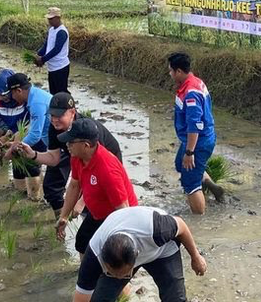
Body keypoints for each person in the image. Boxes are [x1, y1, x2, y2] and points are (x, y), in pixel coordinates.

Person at [19, 92, 122, 218]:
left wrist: (81, 202)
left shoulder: (87, 130)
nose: (54, 119)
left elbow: (98, 173)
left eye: (59, 115)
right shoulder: (55, 127)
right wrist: (33, 154)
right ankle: (64, 219)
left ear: (72, 112)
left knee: (95, 201)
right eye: (52, 115)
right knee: (52, 187)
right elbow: (54, 158)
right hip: (76, 155)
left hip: (106, 163)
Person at [73, 206, 207, 302]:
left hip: (162, 250)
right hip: (124, 249)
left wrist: (195, 257)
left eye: (125, 274)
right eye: (112, 273)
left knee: (175, 297)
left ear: (137, 256)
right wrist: (116, 275)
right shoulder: (94, 255)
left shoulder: (157, 229)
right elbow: (81, 297)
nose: (120, 278)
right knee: (101, 298)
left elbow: (182, 226)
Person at [56, 119, 138, 257]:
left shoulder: (107, 169)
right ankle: (86, 276)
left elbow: (124, 210)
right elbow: (74, 185)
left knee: (111, 254)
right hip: (97, 214)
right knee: (82, 242)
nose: (67, 145)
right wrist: (64, 216)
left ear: (86, 145)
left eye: (71, 142)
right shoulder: (77, 156)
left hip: (116, 217)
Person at [168, 52, 224, 215]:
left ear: (179, 71)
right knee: (180, 164)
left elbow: (194, 126)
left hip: (198, 141)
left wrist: (190, 152)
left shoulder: (191, 93)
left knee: (190, 183)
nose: (169, 74)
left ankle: (200, 219)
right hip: (195, 139)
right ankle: (211, 185)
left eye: (171, 71)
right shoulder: (194, 82)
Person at [5, 73, 51, 200]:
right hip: (50, 139)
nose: (12, 97)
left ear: (18, 90)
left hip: (57, 143)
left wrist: (14, 149)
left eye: (12, 94)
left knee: (52, 185)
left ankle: (41, 204)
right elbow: (34, 126)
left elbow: (35, 135)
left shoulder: (36, 103)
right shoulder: (35, 95)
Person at [33, 7, 70, 95]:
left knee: (62, 92)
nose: (49, 21)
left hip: (60, 66)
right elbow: (46, 46)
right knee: (53, 91)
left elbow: (56, 50)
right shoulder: (51, 30)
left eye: (51, 19)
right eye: (48, 19)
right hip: (52, 67)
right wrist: (37, 55)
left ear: (58, 18)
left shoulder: (62, 32)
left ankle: (69, 107)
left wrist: (43, 59)